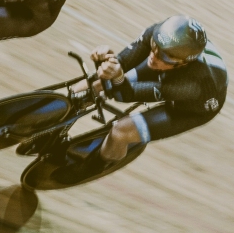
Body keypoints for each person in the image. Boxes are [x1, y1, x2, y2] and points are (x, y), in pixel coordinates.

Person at [74, 15, 227, 173]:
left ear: (183, 63)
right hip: (173, 73)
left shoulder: (191, 84)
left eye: (165, 55)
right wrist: (109, 60)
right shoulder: (161, 35)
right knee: (98, 82)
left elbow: (123, 95)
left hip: (190, 108)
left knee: (121, 131)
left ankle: (92, 168)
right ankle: (59, 109)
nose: (153, 56)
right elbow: (122, 63)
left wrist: (117, 76)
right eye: (154, 45)